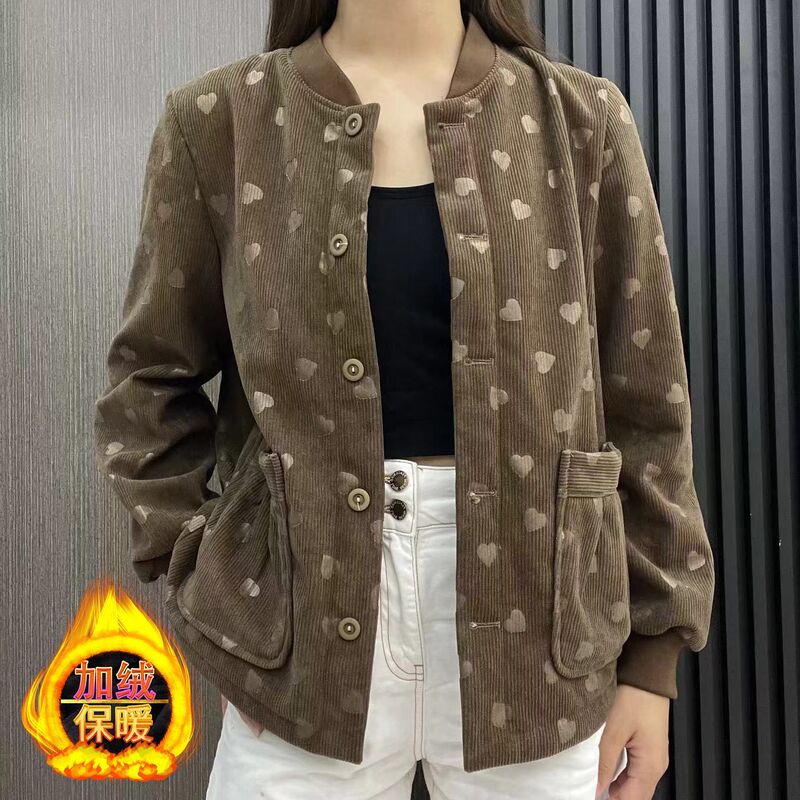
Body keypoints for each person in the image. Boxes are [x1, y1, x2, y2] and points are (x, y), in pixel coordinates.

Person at [93, 1, 716, 798]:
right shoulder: (219, 123)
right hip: (303, 641)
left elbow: (648, 404)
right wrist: (224, 606)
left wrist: (652, 664)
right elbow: (147, 384)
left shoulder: (582, 120)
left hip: (543, 641)